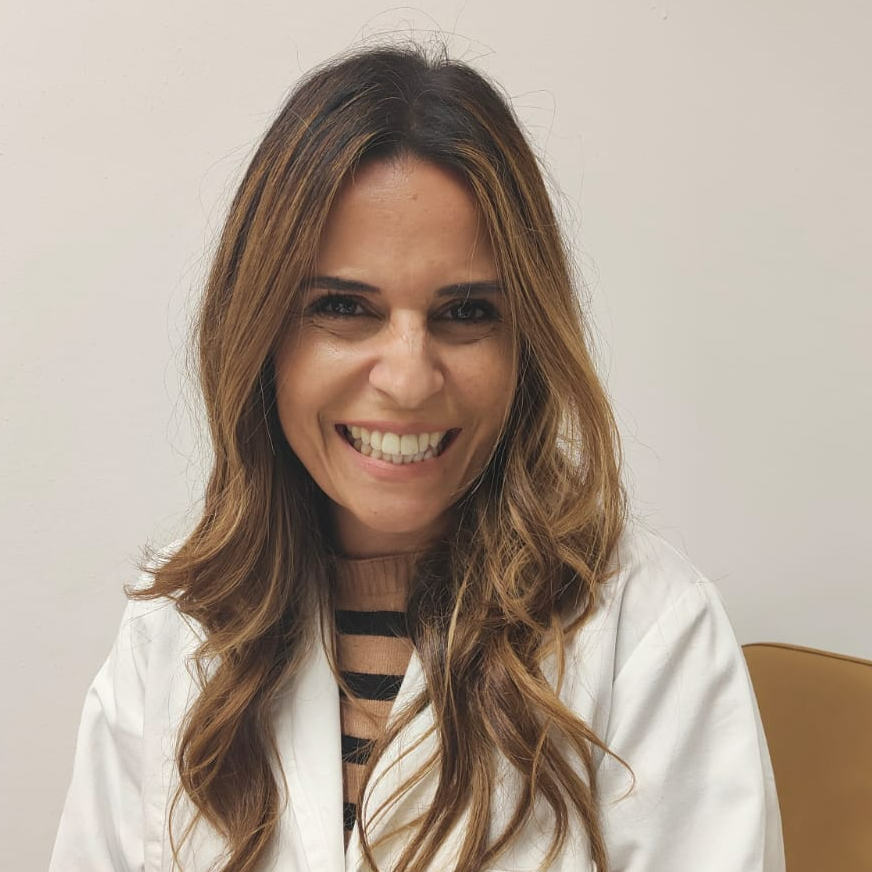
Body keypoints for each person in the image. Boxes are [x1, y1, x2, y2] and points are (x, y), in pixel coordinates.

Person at [49, 45, 785, 872]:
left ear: (527, 342)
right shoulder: (173, 634)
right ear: (259, 334)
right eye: (343, 306)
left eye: (465, 312)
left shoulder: (649, 635)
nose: (406, 379)